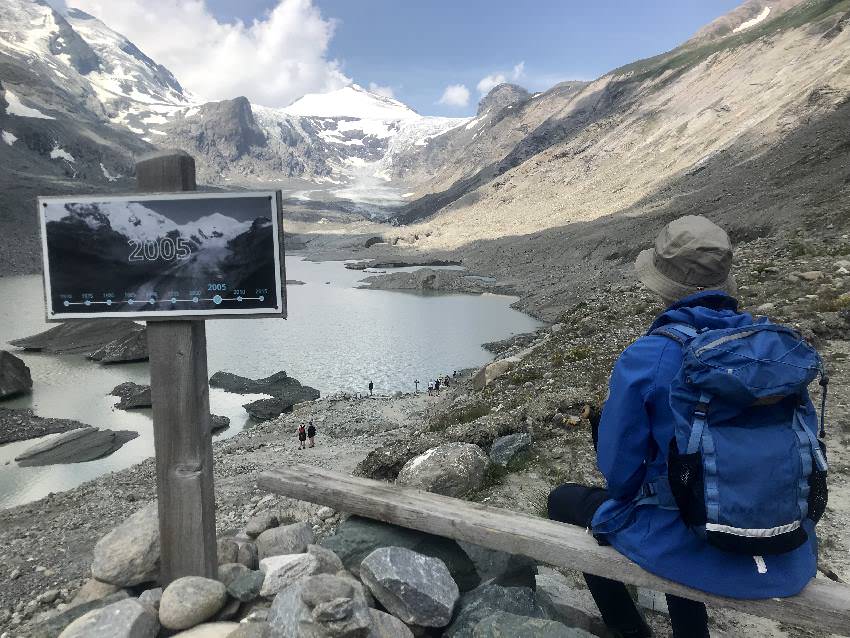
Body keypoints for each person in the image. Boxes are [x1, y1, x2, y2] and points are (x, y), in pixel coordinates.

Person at [547, 216, 819, 638]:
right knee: (681, 489)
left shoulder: (649, 356)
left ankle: (627, 629)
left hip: (695, 546)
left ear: (662, 282)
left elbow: (620, 475)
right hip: (784, 547)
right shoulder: (773, 349)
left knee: (571, 501)